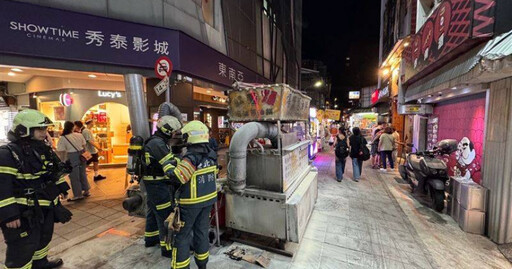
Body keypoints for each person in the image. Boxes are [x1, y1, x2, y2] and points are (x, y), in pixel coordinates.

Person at [0, 109, 71, 269]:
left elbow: (51, 172)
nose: (44, 132)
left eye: (45, 129)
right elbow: (2, 187)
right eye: (40, 129)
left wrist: (61, 190)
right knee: (22, 247)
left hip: (44, 207)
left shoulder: (42, 149)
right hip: (22, 212)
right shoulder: (7, 154)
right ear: (23, 130)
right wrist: (9, 215)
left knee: (43, 238)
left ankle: (40, 263)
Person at [164, 121, 218, 269]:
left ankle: (180, 266)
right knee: (201, 233)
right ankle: (202, 264)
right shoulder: (211, 154)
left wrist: (168, 165)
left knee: (182, 236)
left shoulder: (192, 157)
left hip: (190, 204)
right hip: (208, 202)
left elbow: (178, 177)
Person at [142, 115, 183, 258]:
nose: (174, 135)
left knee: (153, 212)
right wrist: (184, 165)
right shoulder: (158, 144)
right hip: (158, 185)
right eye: (173, 132)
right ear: (167, 131)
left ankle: (151, 239)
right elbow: (169, 165)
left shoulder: (157, 141)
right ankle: (168, 248)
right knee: (165, 215)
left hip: (152, 183)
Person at [57, 121, 90, 201]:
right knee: (82, 173)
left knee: (74, 176)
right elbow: (84, 145)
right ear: (73, 127)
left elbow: (61, 151)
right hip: (82, 155)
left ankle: (78, 194)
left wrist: (62, 161)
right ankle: (86, 190)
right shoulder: (79, 135)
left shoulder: (63, 138)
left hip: (72, 156)